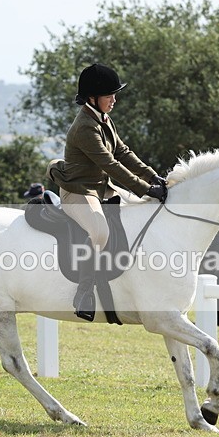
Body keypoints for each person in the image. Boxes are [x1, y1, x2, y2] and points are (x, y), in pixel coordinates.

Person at [47, 63, 168, 321]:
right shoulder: (84, 128)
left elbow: (123, 152)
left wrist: (154, 176)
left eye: (114, 94)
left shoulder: (103, 119)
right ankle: (85, 291)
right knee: (99, 231)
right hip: (79, 192)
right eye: (109, 95)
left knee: (140, 212)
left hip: (101, 190)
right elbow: (109, 165)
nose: (114, 100)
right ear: (92, 97)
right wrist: (146, 189)